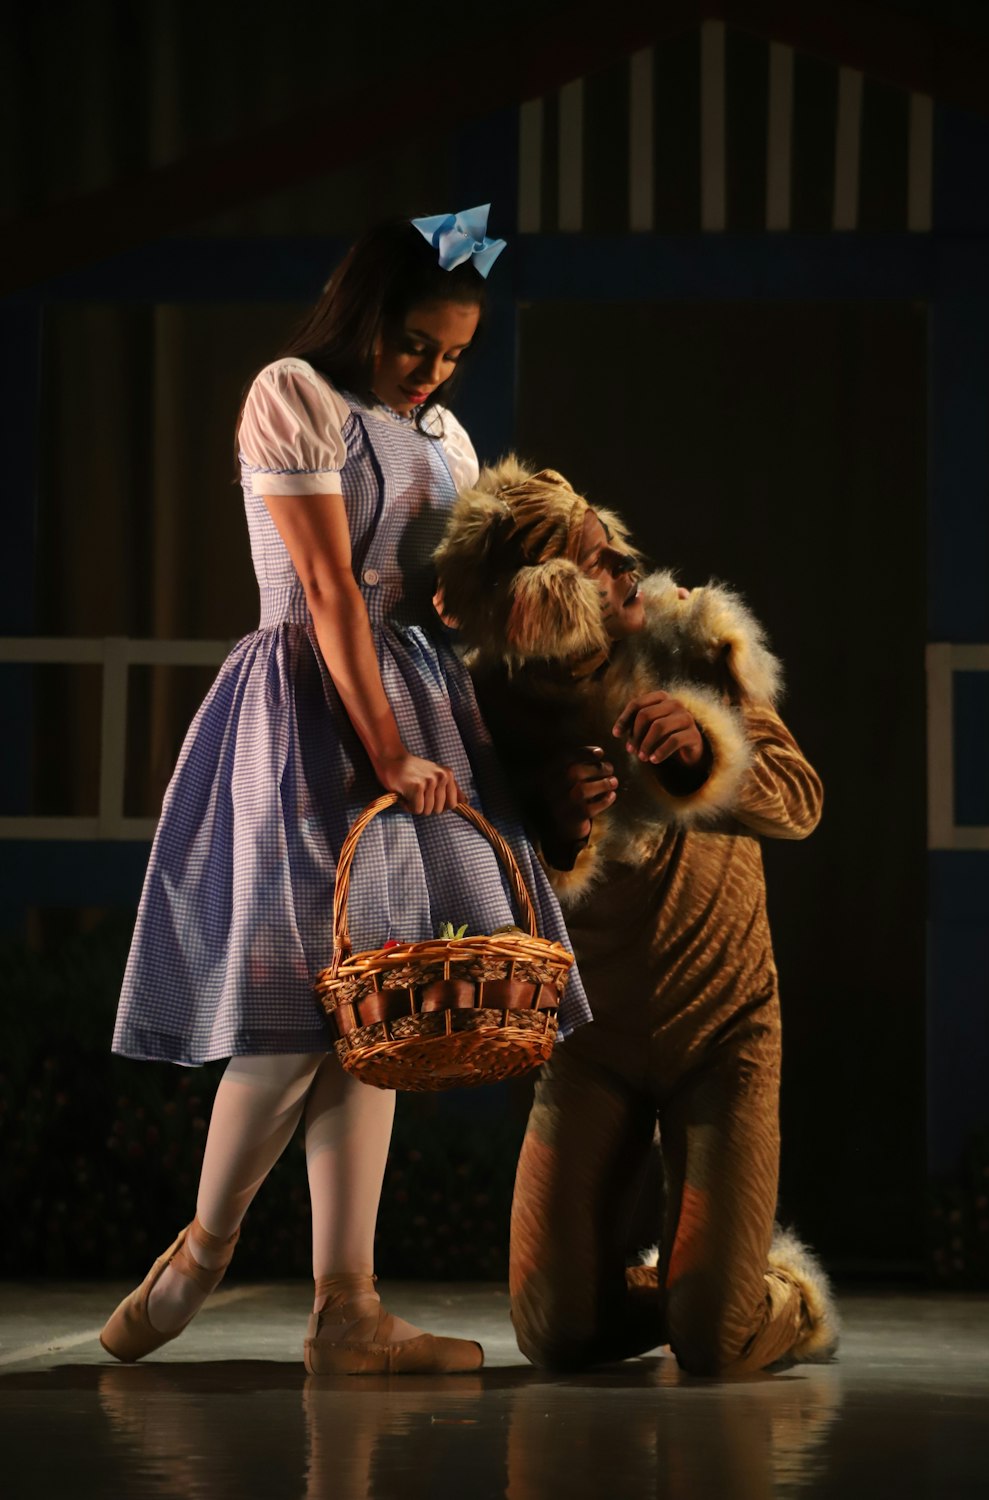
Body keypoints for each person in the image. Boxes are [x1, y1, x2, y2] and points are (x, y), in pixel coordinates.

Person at [99, 210, 590, 1376]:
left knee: (380, 1015)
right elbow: (326, 588)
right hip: (312, 702)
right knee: (298, 1005)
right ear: (366, 316)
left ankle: (347, 1307)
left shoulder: (448, 439)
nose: (430, 371)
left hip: (415, 701)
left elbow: (444, 605)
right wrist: (384, 749)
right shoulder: (294, 396)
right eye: (416, 343)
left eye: (454, 353)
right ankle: (200, 1256)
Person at [434, 458, 840, 1377]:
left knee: (715, 1341)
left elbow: (803, 803)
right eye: (595, 558)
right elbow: (459, 884)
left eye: (612, 542)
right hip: (591, 1039)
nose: (625, 561)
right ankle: (701, 1285)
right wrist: (551, 824)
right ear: (539, 603)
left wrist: (706, 747)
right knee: (554, 1333)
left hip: (723, 1033)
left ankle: (765, 1296)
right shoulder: (485, 702)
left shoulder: (688, 638)